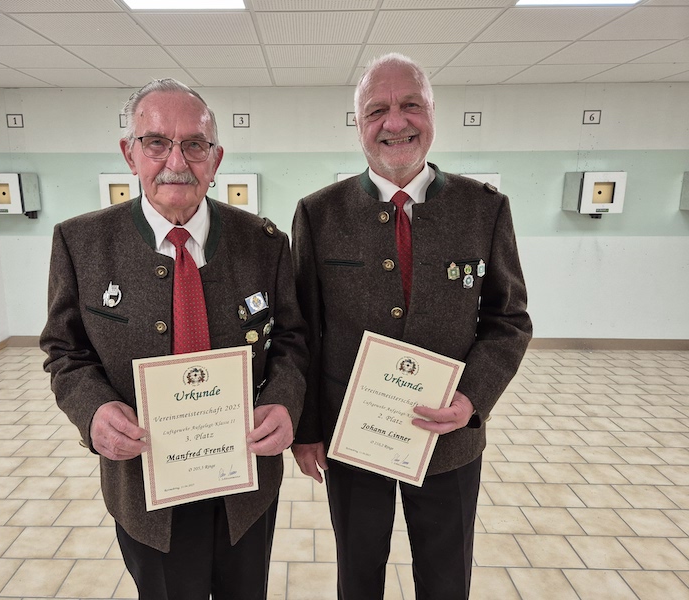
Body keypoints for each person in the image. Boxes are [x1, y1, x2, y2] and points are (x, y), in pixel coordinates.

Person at [40, 78, 307, 600]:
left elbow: (292, 339)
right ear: (130, 153)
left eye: (195, 144)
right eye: (157, 142)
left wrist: (284, 401)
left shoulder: (265, 243)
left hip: (245, 483)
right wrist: (93, 411)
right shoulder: (81, 243)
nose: (176, 161)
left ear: (216, 158)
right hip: (143, 487)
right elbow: (64, 351)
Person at [290, 53, 532, 599]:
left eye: (410, 105)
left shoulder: (483, 209)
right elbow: (303, 330)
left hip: (449, 438)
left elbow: (509, 320)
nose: (395, 122)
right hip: (352, 436)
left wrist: (471, 400)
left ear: (432, 114)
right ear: (358, 124)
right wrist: (307, 429)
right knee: (358, 573)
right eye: (377, 110)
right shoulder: (318, 214)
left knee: (446, 577)